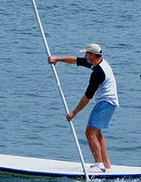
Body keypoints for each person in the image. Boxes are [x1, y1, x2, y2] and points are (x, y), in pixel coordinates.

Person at [48, 43, 119, 173]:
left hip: (105, 103)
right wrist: (57, 59)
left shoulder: (98, 73)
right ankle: (106, 164)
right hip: (109, 103)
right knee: (96, 132)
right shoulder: (97, 62)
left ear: (92, 55)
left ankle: (99, 165)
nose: (84, 56)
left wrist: (73, 113)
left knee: (90, 133)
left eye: (86, 54)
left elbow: (87, 97)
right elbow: (75, 60)